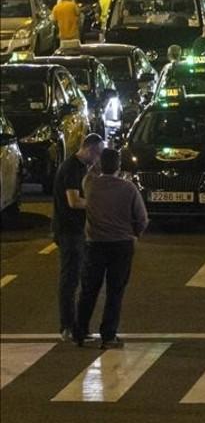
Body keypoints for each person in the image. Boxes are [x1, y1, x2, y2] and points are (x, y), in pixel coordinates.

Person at [71, 148, 147, 347]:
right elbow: (142, 218)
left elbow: (90, 173)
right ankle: (108, 334)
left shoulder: (90, 184)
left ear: (100, 165)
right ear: (119, 166)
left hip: (94, 243)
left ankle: (80, 331)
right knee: (115, 291)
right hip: (121, 244)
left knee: (88, 289)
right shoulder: (128, 188)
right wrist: (135, 234)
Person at [53, 134, 104, 341]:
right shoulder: (72, 168)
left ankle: (73, 326)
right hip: (69, 230)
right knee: (70, 279)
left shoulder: (80, 167)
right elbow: (74, 201)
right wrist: (97, 203)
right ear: (90, 149)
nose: (98, 159)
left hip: (75, 230)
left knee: (76, 278)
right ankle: (67, 326)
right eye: (98, 153)